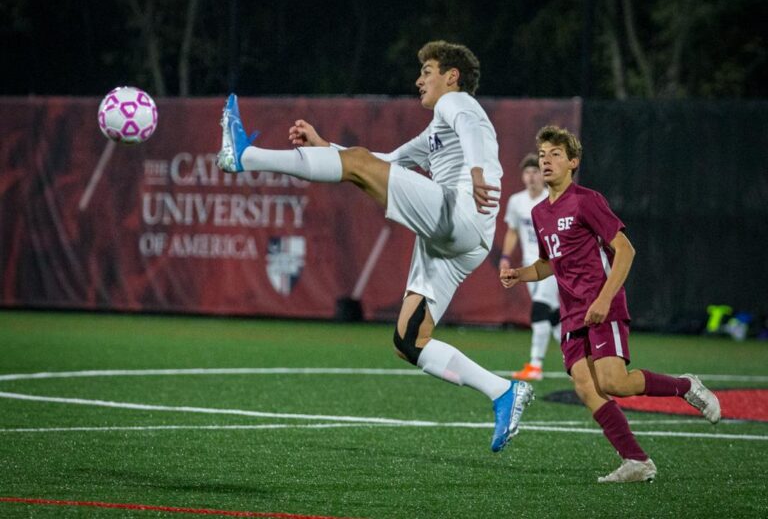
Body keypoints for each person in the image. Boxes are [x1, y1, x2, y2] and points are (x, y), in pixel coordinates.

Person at [217, 40, 533, 452]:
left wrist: (475, 173)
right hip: (461, 239)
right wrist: (325, 145)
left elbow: (468, 133)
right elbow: (384, 160)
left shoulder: (456, 103)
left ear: (451, 76)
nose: (419, 80)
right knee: (409, 341)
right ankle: (504, 392)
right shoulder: (437, 128)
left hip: (461, 213)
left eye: (427, 71)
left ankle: (245, 156)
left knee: (361, 165)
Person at [500, 125, 721, 482]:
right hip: (572, 313)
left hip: (601, 304)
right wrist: (520, 274)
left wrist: (603, 299)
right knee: (586, 388)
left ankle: (686, 386)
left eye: (555, 155)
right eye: (542, 155)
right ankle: (636, 460)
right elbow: (548, 263)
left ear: (573, 162)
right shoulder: (540, 213)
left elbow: (625, 250)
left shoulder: (587, 200)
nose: (546, 161)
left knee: (614, 381)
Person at [500, 153, 561, 381]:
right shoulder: (517, 201)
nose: (531, 176)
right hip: (528, 265)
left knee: (539, 309)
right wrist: (506, 256)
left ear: (543, 176)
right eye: (527, 172)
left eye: (536, 171)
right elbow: (513, 230)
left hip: (550, 263)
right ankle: (576, 362)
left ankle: (535, 365)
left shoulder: (553, 200)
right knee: (554, 316)